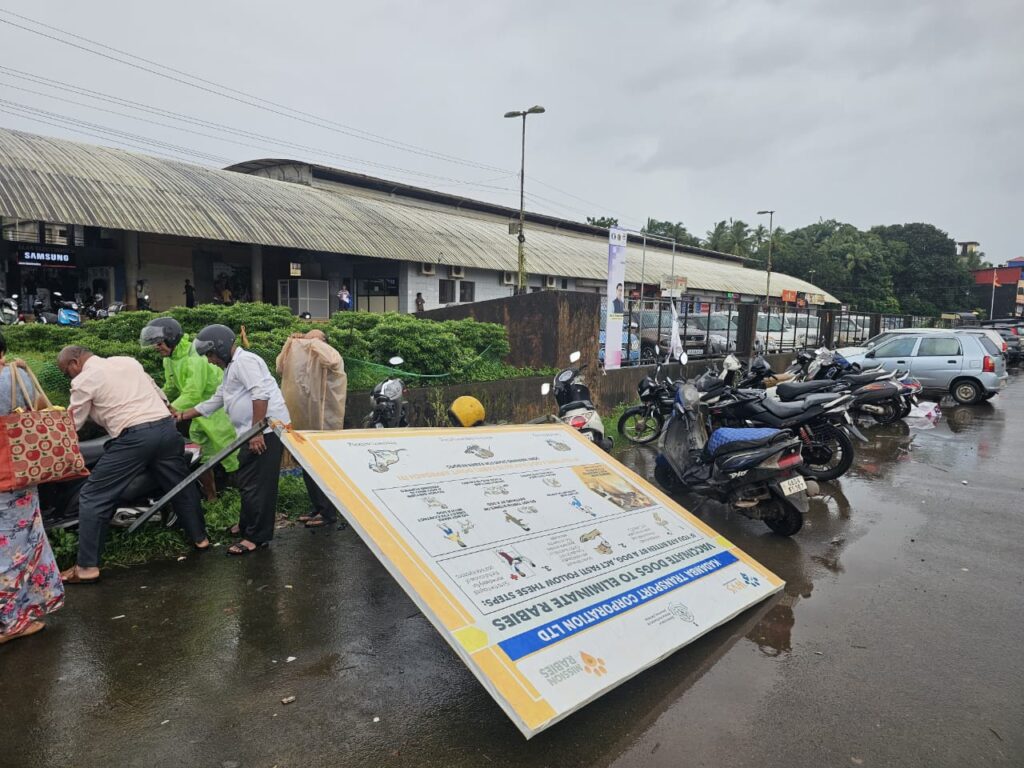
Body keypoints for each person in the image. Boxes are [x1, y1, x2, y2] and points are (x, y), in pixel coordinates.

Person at [57, 346, 209, 584]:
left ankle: (86, 567)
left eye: (67, 372)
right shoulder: (126, 361)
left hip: (135, 437)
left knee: (93, 495)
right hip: (166, 429)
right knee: (179, 484)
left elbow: (72, 424)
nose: (70, 377)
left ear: (75, 362)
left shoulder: (85, 379)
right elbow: (158, 393)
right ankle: (200, 538)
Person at [177, 325, 290, 556]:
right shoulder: (232, 366)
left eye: (210, 354)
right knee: (247, 481)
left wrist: (256, 432)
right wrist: (182, 415)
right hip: (251, 432)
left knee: (259, 486)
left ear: (219, 347)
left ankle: (255, 537)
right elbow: (218, 398)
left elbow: (261, 394)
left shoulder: (245, 362)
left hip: (265, 432)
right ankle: (247, 524)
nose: (210, 361)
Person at [0, 333, 64, 644]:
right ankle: (9, 622)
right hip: (12, 478)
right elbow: (38, 407)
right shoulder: (14, 375)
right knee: (13, 550)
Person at [140, 318, 239, 499]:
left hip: (217, 411)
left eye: (159, 343)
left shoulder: (195, 357)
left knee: (230, 452)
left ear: (171, 339)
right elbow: (170, 386)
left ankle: (239, 495)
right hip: (197, 413)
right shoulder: (169, 359)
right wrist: (152, 401)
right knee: (201, 455)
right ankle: (212, 497)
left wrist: (167, 412)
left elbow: (193, 393)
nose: (157, 347)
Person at [276, 330, 346, 529]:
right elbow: (280, 367)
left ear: (324, 342)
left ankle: (328, 512)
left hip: (325, 424)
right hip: (303, 423)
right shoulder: (304, 358)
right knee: (307, 467)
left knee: (323, 469)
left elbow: (330, 360)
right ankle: (317, 507)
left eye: (315, 337)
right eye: (306, 336)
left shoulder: (331, 354)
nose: (307, 340)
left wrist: (312, 343)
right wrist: (290, 343)